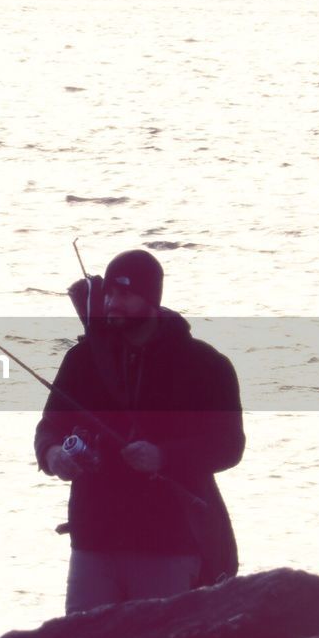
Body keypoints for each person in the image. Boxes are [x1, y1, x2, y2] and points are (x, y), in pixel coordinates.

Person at [34, 249, 244, 615]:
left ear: (151, 299)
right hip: (93, 537)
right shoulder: (82, 359)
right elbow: (50, 425)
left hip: (168, 540)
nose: (114, 303)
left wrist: (164, 456)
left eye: (125, 295)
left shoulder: (206, 365)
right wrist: (53, 455)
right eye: (109, 294)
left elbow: (229, 445)